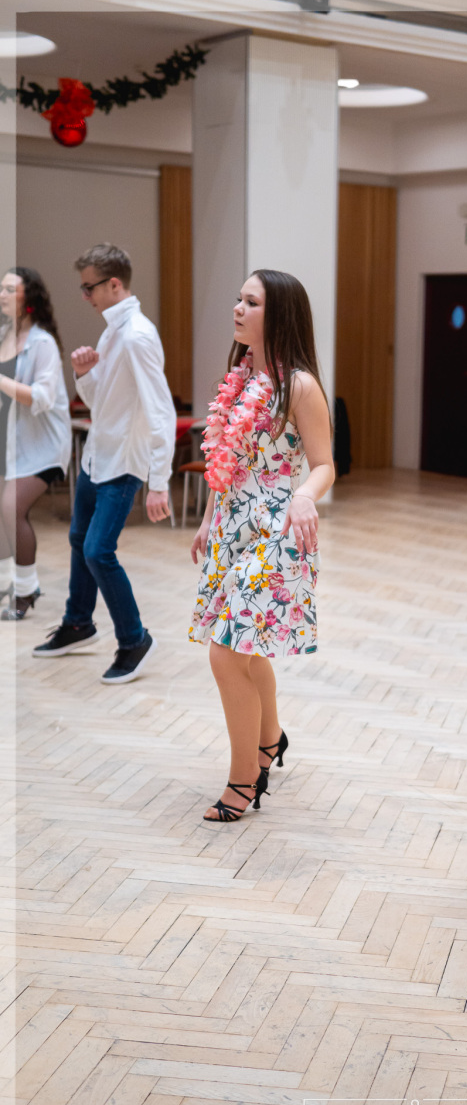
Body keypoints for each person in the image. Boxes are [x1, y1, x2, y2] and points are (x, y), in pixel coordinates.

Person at [189, 268, 334, 823]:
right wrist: (208, 519)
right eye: (239, 299)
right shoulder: (240, 378)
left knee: (226, 651)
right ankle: (270, 739)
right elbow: (224, 462)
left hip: (275, 532)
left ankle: (243, 779)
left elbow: (324, 464)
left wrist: (305, 497)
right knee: (244, 649)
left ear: (279, 315)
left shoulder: (299, 385)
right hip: (231, 530)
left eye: (251, 302)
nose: (238, 308)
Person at [32, 243, 176, 682]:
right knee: (80, 540)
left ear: (114, 284)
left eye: (89, 287)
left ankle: (134, 640)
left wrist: (159, 481)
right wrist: (84, 373)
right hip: (98, 456)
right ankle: (78, 623)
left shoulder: (137, 336)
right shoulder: (113, 332)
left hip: (123, 463)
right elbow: (102, 402)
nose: (84, 296)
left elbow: (161, 411)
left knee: (98, 551)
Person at [0, 267, 70, 619]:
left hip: (44, 446)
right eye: (1, 289)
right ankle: (10, 584)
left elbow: (41, 397)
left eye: (10, 289)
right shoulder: (3, 337)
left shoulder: (43, 343)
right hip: (11, 444)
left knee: (11, 508)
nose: (2, 295)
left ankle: (26, 592)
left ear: (29, 297)